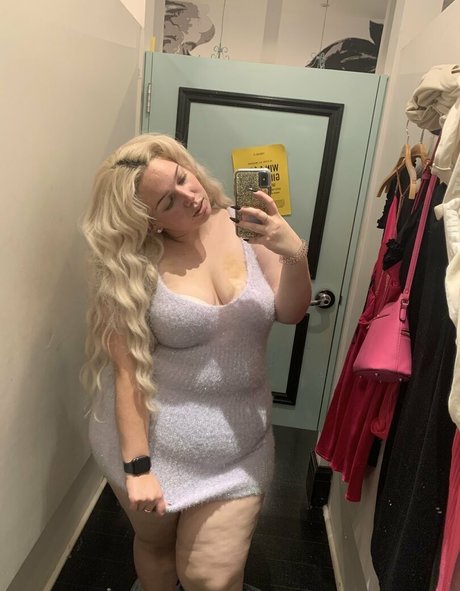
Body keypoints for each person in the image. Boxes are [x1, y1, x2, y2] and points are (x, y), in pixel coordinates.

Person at [81, 133, 311, 591]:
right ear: (146, 221)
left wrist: (294, 252)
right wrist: (138, 469)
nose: (191, 196)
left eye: (183, 178)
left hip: (240, 448)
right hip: (153, 449)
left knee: (211, 577)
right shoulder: (132, 267)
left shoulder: (247, 225)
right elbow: (128, 375)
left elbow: (291, 311)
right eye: (168, 201)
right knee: (157, 551)